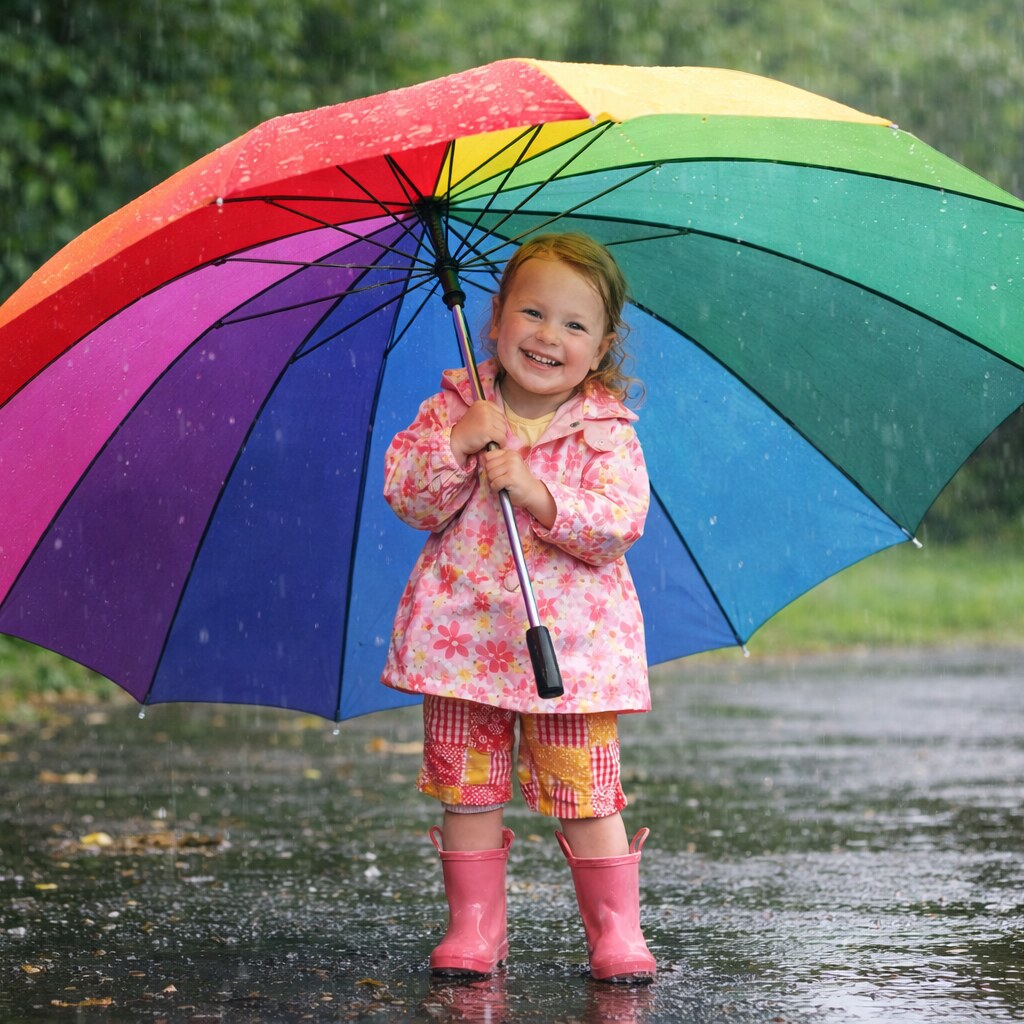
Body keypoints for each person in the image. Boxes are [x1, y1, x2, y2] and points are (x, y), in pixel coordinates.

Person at [381, 232, 655, 983]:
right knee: (465, 784)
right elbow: (409, 496)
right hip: (463, 639)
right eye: (532, 312)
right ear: (496, 318)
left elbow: (617, 523)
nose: (548, 336)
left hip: (567, 652)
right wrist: (459, 444)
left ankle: (614, 931)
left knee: (585, 787)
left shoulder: (606, 432)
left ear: (601, 348)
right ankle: (475, 926)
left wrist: (538, 493)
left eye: (574, 325)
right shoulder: (453, 407)